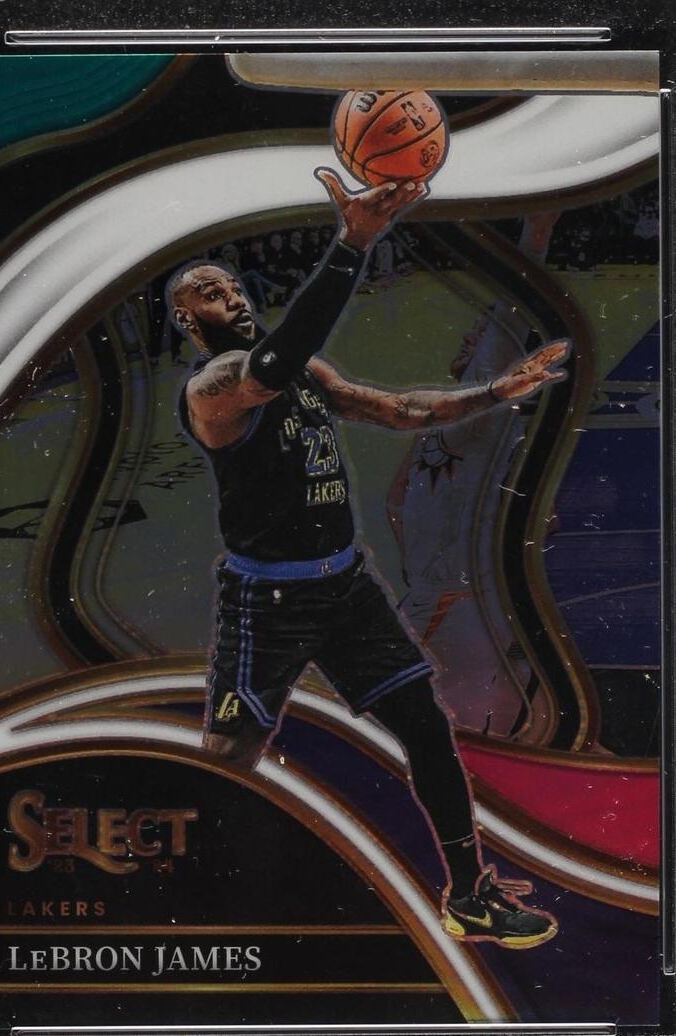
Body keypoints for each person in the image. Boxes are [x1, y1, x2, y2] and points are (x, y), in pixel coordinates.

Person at [169, 168, 566, 949]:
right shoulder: (214, 388)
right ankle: (185, 895)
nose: (232, 297)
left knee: (425, 725)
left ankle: (468, 895)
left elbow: (399, 408)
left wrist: (491, 393)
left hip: (346, 588)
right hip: (267, 601)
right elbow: (272, 364)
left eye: (234, 286)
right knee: (226, 755)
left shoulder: (306, 374)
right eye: (212, 294)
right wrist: (352, 242)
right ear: (190, 320)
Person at [387, 213, 559, 736]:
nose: (472, 336)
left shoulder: (482, 416)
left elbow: (511, 313)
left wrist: (536, 232)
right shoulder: (456, 423)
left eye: (483, 334)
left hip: (456, 612)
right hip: (451, 604)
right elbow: (397, 501)